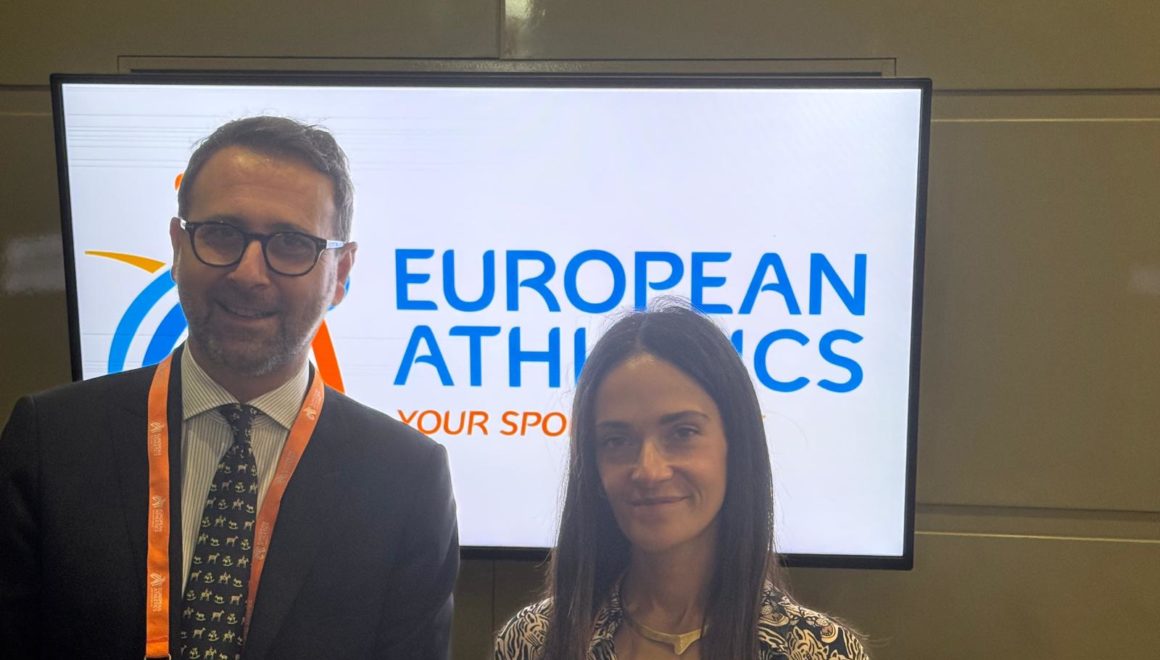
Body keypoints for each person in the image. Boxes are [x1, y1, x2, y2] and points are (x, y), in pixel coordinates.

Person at [0, 116, 459, 659]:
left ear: (340, 272)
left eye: (292, 244)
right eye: (220, 233)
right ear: (178, 247)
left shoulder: (405, 478)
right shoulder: (50, 443)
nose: (248, 273)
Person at [495, 301, 867, 659]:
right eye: (617, 440)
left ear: (735, 445)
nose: (649, 470)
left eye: (682, 432)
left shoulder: (819, 651)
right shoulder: (534, 641)